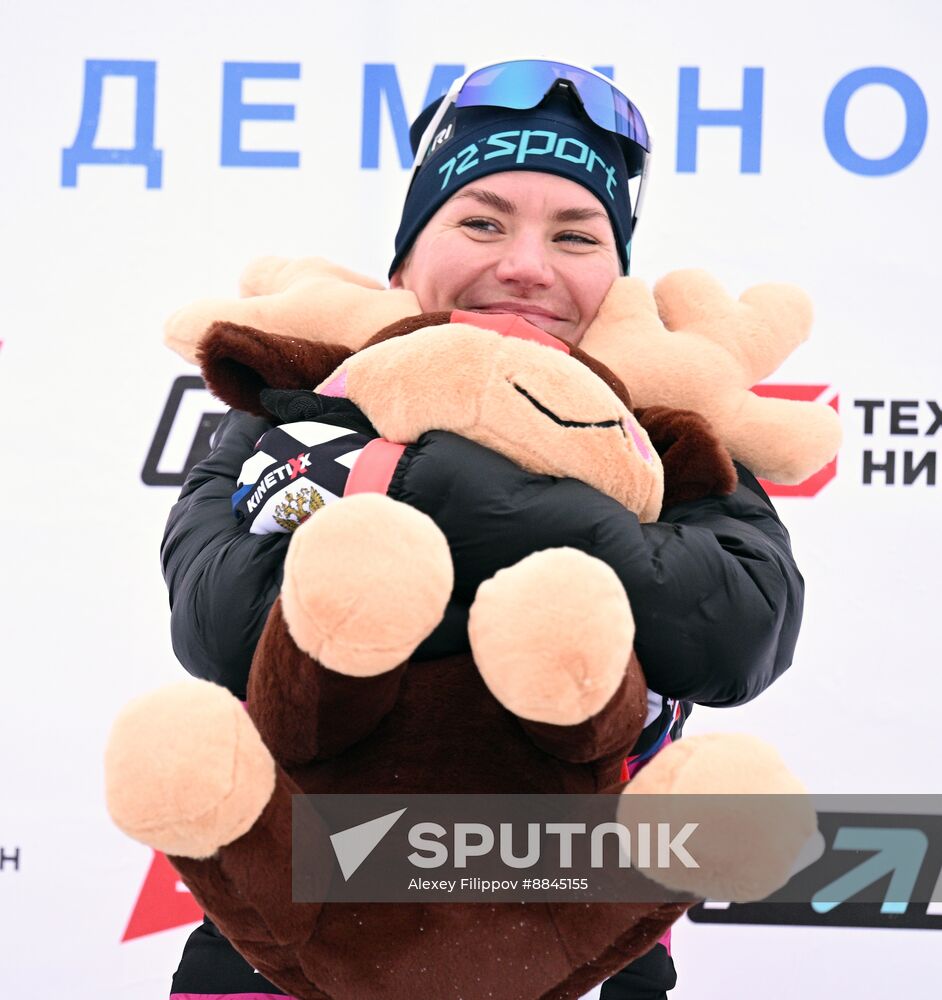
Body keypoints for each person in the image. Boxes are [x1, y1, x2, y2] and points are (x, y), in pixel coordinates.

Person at [161, 60, 803, 1000]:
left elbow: (737, 631)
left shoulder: (668, 437)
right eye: (482, 221)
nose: (527, 266)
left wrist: (476, 498)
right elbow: (220, 623)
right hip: (290, 940)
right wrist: (439, 476)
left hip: (580, 943)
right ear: (403, 264)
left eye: (576, 234)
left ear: (617, 281)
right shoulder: (296, 410)